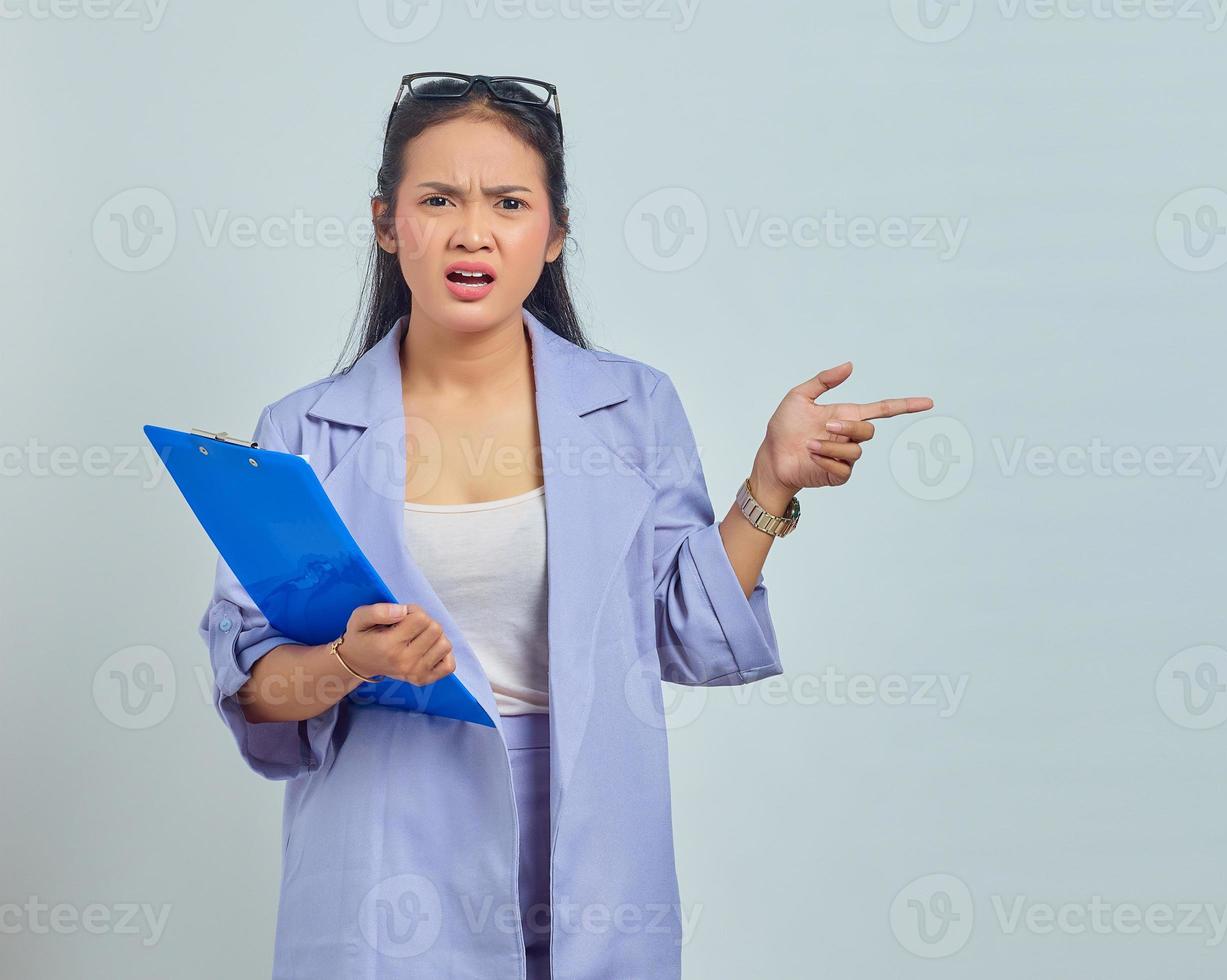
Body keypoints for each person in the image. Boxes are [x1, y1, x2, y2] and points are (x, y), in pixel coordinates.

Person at [198, 72, 934, 979]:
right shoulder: (302, 434)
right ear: (389, 225)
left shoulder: (630, 409)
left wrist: (768, 481)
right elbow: (256, 694)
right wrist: (353, 661)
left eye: (509, 202)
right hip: (388, 856)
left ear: (553, 235)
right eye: (439, 200)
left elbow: (691, 632)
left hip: (590, 844)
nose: (473, 231)